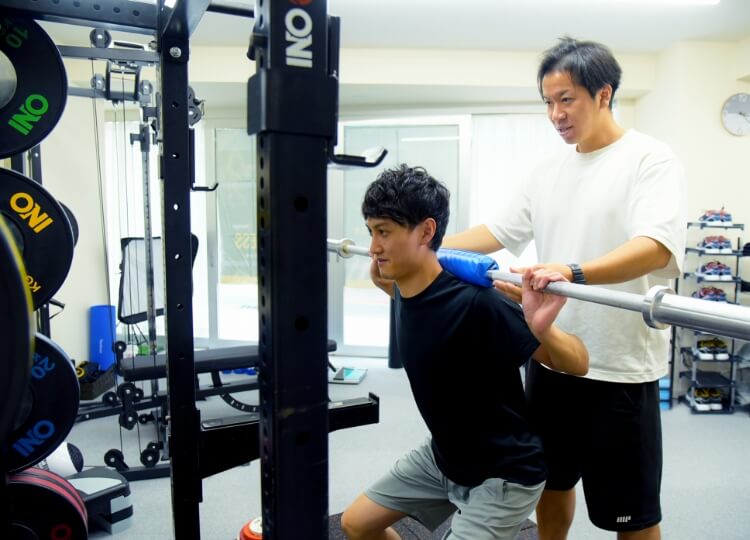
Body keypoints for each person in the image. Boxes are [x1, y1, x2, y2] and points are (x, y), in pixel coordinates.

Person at [441, 38, 688, 540]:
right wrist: (421, 247)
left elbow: (655, 248)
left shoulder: (650, 160)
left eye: (566, 99)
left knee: (632, 515)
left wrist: (572, 272)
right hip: (552, 355)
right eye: (548, 102)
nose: (556, 114)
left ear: (604, 94)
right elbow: (496, 232)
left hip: (619, 368)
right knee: (550, 487)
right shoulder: (547, 170)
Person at [340, 164, 589, 540]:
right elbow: (426, 314)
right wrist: (383, 283)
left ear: (426, 231)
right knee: (356, 525)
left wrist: (543, 329)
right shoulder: (404, 288)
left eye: (384, 232)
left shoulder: (478, 304)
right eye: (371, 232)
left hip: (504, 475)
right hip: (444, 457)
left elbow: (578, 363)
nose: (373, 247)